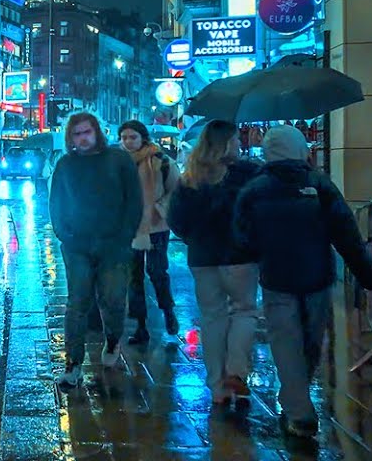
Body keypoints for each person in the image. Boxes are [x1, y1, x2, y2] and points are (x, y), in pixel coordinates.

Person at [234, 125, 372, 438]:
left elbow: (242, 238)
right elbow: (347, 235)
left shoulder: (254, 189)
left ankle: (296, 404)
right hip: (317, 278)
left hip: (276, 278)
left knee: (286, 341)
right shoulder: (320, 185)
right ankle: (298, 405)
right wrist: (368, 275)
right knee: (311, 341)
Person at [167, 119, 262, 406]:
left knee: (212, 318)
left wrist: (193, 239)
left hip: (203, 258)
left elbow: (177, 221)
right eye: (236, 139)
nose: (240, 144)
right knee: (244, 311)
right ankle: (236, 371)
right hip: (240, 257)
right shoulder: (248, 174)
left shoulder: (191, 177)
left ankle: (217, 387)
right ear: (227, 143)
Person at [49, 112, 143, 390]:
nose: (83, 138)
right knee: (77, 303)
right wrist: (63, 233)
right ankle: (73, 364)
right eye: (77, 134)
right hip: (77, 245)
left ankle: (112, 341)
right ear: (71, 138)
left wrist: (125, 235)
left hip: (114, 245)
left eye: (87, 132)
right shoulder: (65, 164)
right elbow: (56, 201)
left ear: (97, 132)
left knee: (113, 300)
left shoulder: (118, 160)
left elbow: (133, 200)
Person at [118, 120, 180, 346]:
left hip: (156, 227)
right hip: (129, 229)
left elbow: (176, 190)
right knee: (133, 277)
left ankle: (168, 311)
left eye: (132, 137)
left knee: (157, 272)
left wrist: (158, 209)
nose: (128, 142)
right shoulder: (119, 163)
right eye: (124, 137)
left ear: (142, 138)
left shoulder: (160, 161)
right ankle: (141, 325)